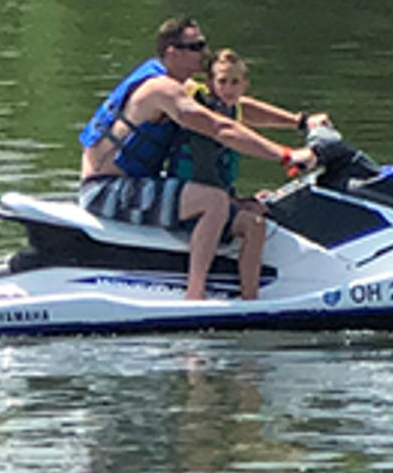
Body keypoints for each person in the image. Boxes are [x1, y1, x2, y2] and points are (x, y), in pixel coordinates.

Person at [77, 16, 307, 301]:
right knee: (213, 200)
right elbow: (219, 128)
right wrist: (286, 155)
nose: (205, 52)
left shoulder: (183, 88)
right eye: (196, 46)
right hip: (106, 190)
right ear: (172, 52)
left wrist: (300, 122)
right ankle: (194, 296)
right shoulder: (161, 89)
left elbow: (232, 109)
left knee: (250, 213)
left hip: (136, 185)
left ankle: (251, 299)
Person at [172, 47, 315, 303]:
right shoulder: (200, 106)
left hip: (216, 195)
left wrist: (302, 121)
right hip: (191, 197)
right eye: (222, 81)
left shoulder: (232, 109)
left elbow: (249, 110)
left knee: (267, 208)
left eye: (235, 82)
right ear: (210, 84)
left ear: (245, 84)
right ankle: (246, 300)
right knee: (254, 227)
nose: (228, 88)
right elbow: (205, 169)